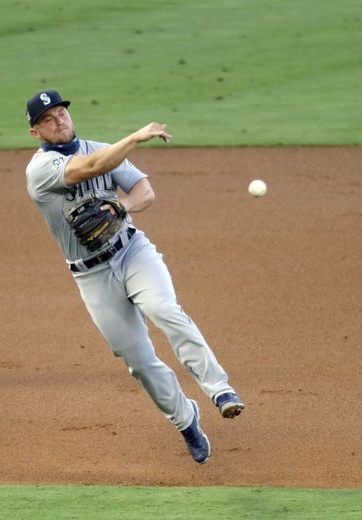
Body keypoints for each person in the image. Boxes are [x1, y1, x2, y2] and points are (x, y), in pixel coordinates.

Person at [24, 90, 244, 464]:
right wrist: (133, 139)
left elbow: (145, 191)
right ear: (36, 132)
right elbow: (88, 169)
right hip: (91, 276)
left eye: (61, 112)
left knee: (164, 310)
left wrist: (121, 206)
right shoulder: (40, 170)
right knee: (139, 361)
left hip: (133, 251)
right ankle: (185, 419)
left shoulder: (103, 149)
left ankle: (220, 389)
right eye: (48, 118)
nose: (59, 120)